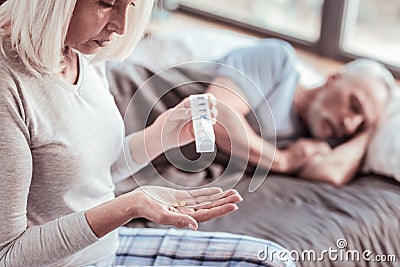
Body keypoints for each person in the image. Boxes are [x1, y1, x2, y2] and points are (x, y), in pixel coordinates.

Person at [0, 1, 293, 266]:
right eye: (107, 3)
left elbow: (90, 176)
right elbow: (8, 254)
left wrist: (160, 137)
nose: (122, 26)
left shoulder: (81, 52)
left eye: (132, 5)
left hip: (107, 248)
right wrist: (129, 206)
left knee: (270, 260)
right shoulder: (8, 87)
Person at [206, 39, 393, 186]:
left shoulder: (323, 137)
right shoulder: (278, 61)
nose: (350, 124)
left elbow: (329, 174)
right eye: (354, 105)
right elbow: (216, 113)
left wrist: (370, 131)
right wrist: (283, 160)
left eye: (361, 124)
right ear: (334, 78)